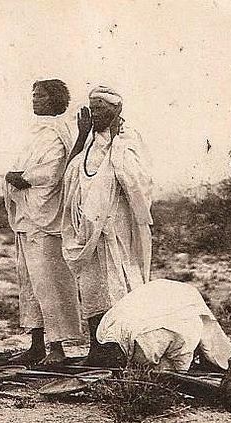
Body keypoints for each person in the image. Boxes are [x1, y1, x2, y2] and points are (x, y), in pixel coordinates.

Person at [61, 86, 153, 366]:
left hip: (117, 227)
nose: (95, 114)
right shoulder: (88, 143)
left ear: (117, 110)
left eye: (101, 108)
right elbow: (72, 174)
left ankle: (121, 348)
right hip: (89, 231)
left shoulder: (128, 140)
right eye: (93, 108)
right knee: (92, 289)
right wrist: (81, 135)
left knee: (119, 285)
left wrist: (116, 148)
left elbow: (140, 183)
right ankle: (97, 350)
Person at [3, 79, 82, 365]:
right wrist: (14, 178)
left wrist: (22, 178)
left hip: (46, 219)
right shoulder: (36, 132)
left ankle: (58, 349)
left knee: (50, 283)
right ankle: (36, 344)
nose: (35, 99)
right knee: (30, 284)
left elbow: (53, 172)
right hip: (27, 218)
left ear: (55, 100)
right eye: (33, 95)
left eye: (41, 95)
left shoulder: (58, 132)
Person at [95, 279, 231, 372]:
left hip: (168, 296)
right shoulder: (182, 331)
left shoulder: (104, 329)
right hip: (161, 308)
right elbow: (180, 369)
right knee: (164, 368)